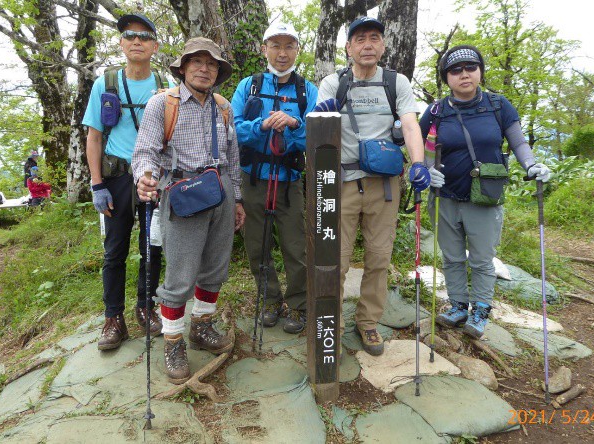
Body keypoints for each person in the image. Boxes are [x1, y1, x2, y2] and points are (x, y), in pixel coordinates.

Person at [315, 17, 430, 356]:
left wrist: (419, 163)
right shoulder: (332, 83)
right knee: (335, 259)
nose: (367, 44)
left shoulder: (396, 83)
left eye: (374, 38)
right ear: (349, 47)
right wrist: (323, 115)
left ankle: (367, 323)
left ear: (382, 46)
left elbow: (410, 126)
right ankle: (330, 323)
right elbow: (317, 131)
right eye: (360, 39)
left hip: (385, 185)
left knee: (379, 258)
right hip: (342, 182)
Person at [419, 45, 551, 339]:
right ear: (446, 77)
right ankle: (457, 305)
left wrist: (531, 165)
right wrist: (427, 172)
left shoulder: (498, 105)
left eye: (470, 67)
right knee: (452, 256)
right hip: (445, 196)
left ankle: (481, 308)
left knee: (481, 258)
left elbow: (518, 142)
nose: (464, 74)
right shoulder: (437, 111)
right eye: (455, 70)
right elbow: (424, 146)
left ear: (479, 71)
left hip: (485, 196)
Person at [133, 37, 244, 384]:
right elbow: (145, 151)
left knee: (214, 268)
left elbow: (234, 156)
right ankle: (173, 341)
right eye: (196, 61)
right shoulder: (162, 104)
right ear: (182, 67)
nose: (204, 68)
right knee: (179, 276)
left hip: (221, 190)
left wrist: (237, 198)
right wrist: (145, 177)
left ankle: (202, 326)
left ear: (218, 71)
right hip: (181, 192)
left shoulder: (223, 107)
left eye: (211, 64)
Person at [82, 13, 166, 351]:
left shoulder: (165, 85)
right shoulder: (106, 84)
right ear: (121, 43)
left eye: (144, 37)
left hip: (152, 179)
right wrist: (97, 184)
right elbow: (93, 136)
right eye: (129, 35)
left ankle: (146, 306)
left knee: (152, 247)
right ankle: (113, 318)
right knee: (114, 251)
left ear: (155, 46)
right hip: (116, 178)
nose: (136, 41)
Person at [231, 22, 318, 334]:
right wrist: (263, 126)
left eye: (289, 46)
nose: (282, 53)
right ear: (264, 48)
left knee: (297, 247)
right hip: (253, 178)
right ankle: (269, 299)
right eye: (276, 45)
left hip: (290, 179)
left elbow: (315, 135)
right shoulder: (248, 86)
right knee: (257, 244)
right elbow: (234, 129)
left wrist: (294, 123)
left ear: (297, 49)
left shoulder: (307, 90)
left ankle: (298, 305)